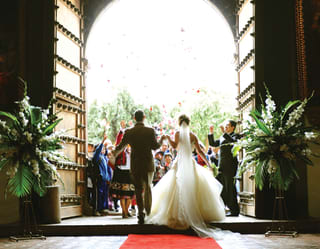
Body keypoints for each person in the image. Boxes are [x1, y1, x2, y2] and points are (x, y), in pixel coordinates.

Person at [146, 114, 225, 238]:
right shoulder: (193, 135)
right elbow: (199, 151)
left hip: (179, 163)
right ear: (188, 122)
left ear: (179, 122)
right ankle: (196, 214)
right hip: (190, 163)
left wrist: (167, 137)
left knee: (175, 188)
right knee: (193, 188)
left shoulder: (177, 134)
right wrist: (208, 163)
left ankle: (177, 214)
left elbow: (173, 146)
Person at [113, 110, 165, 224]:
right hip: (147, 163)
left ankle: (140, 214)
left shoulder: (129, 132)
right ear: (144, 117)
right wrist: (162, 140)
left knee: (137, 189)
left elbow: (120, 147)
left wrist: (113, 154)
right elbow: (155, 146)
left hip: (135, 164)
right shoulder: (150, 131)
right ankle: (148, 213)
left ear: (134, 118)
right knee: (147, 189)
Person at [208, 120, 242, 217]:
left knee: (230, 188)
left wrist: (224, 133)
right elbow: (213, 143)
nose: (226, 127)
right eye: (225, 126)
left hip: (230, 167)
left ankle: (234, 211)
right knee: (218, 186)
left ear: (233, 127)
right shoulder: (223, 137)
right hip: (222, 167)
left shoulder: (235, 136)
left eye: (228, 126)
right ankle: (222, 207)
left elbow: (233, 142)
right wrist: (211, 132)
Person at [109, 145, 135, 218]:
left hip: (131, 173)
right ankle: (124, 212)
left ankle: (126, 211)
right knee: (122, 194)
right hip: (121, 173)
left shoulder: (134, 153)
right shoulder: (120, 152)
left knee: (130, 194)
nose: (129, 147)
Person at [92, 134, 112, 216]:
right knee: (98, 194)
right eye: (101, 148)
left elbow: (108, 169)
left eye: (104, 149)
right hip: (99, 178)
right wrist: (102, 141)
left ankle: (103, 208)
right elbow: (97, 151)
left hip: (105, 179)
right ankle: (97, 209)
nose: (103, 150)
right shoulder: (97, 157)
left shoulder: (105, 157)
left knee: (104, 194)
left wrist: (109, 178)